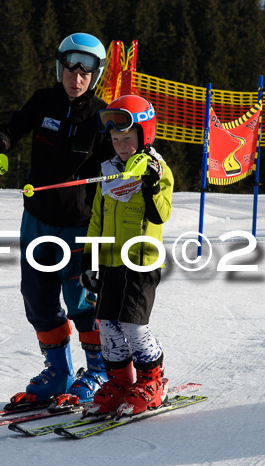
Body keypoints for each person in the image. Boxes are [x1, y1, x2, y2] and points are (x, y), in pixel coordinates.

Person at [0, 33, 114, 407]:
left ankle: (97, 371)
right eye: (71, 68)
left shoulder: (102, 116)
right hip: (38, 219)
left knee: (82, 303)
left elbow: (124, 158)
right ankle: (58, 372)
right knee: (38, 298)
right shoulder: (43, 101)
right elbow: (13, 126)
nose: (77, 78)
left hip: (78, 227)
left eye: (86, 71)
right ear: (60, 68)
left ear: (96, 74)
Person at [80, 94, 174, 418]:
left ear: (144, 135)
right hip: (109, 260)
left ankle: (152, 380)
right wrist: (90, 257)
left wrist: (151, 186)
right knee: (106, 323)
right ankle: (120, 382)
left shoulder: (158, 170)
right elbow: (97, 218)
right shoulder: (108, 172)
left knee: (133, 325)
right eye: (116, 138)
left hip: (142, 261)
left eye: (128, 138)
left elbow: (161, 215)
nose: (121, 145)